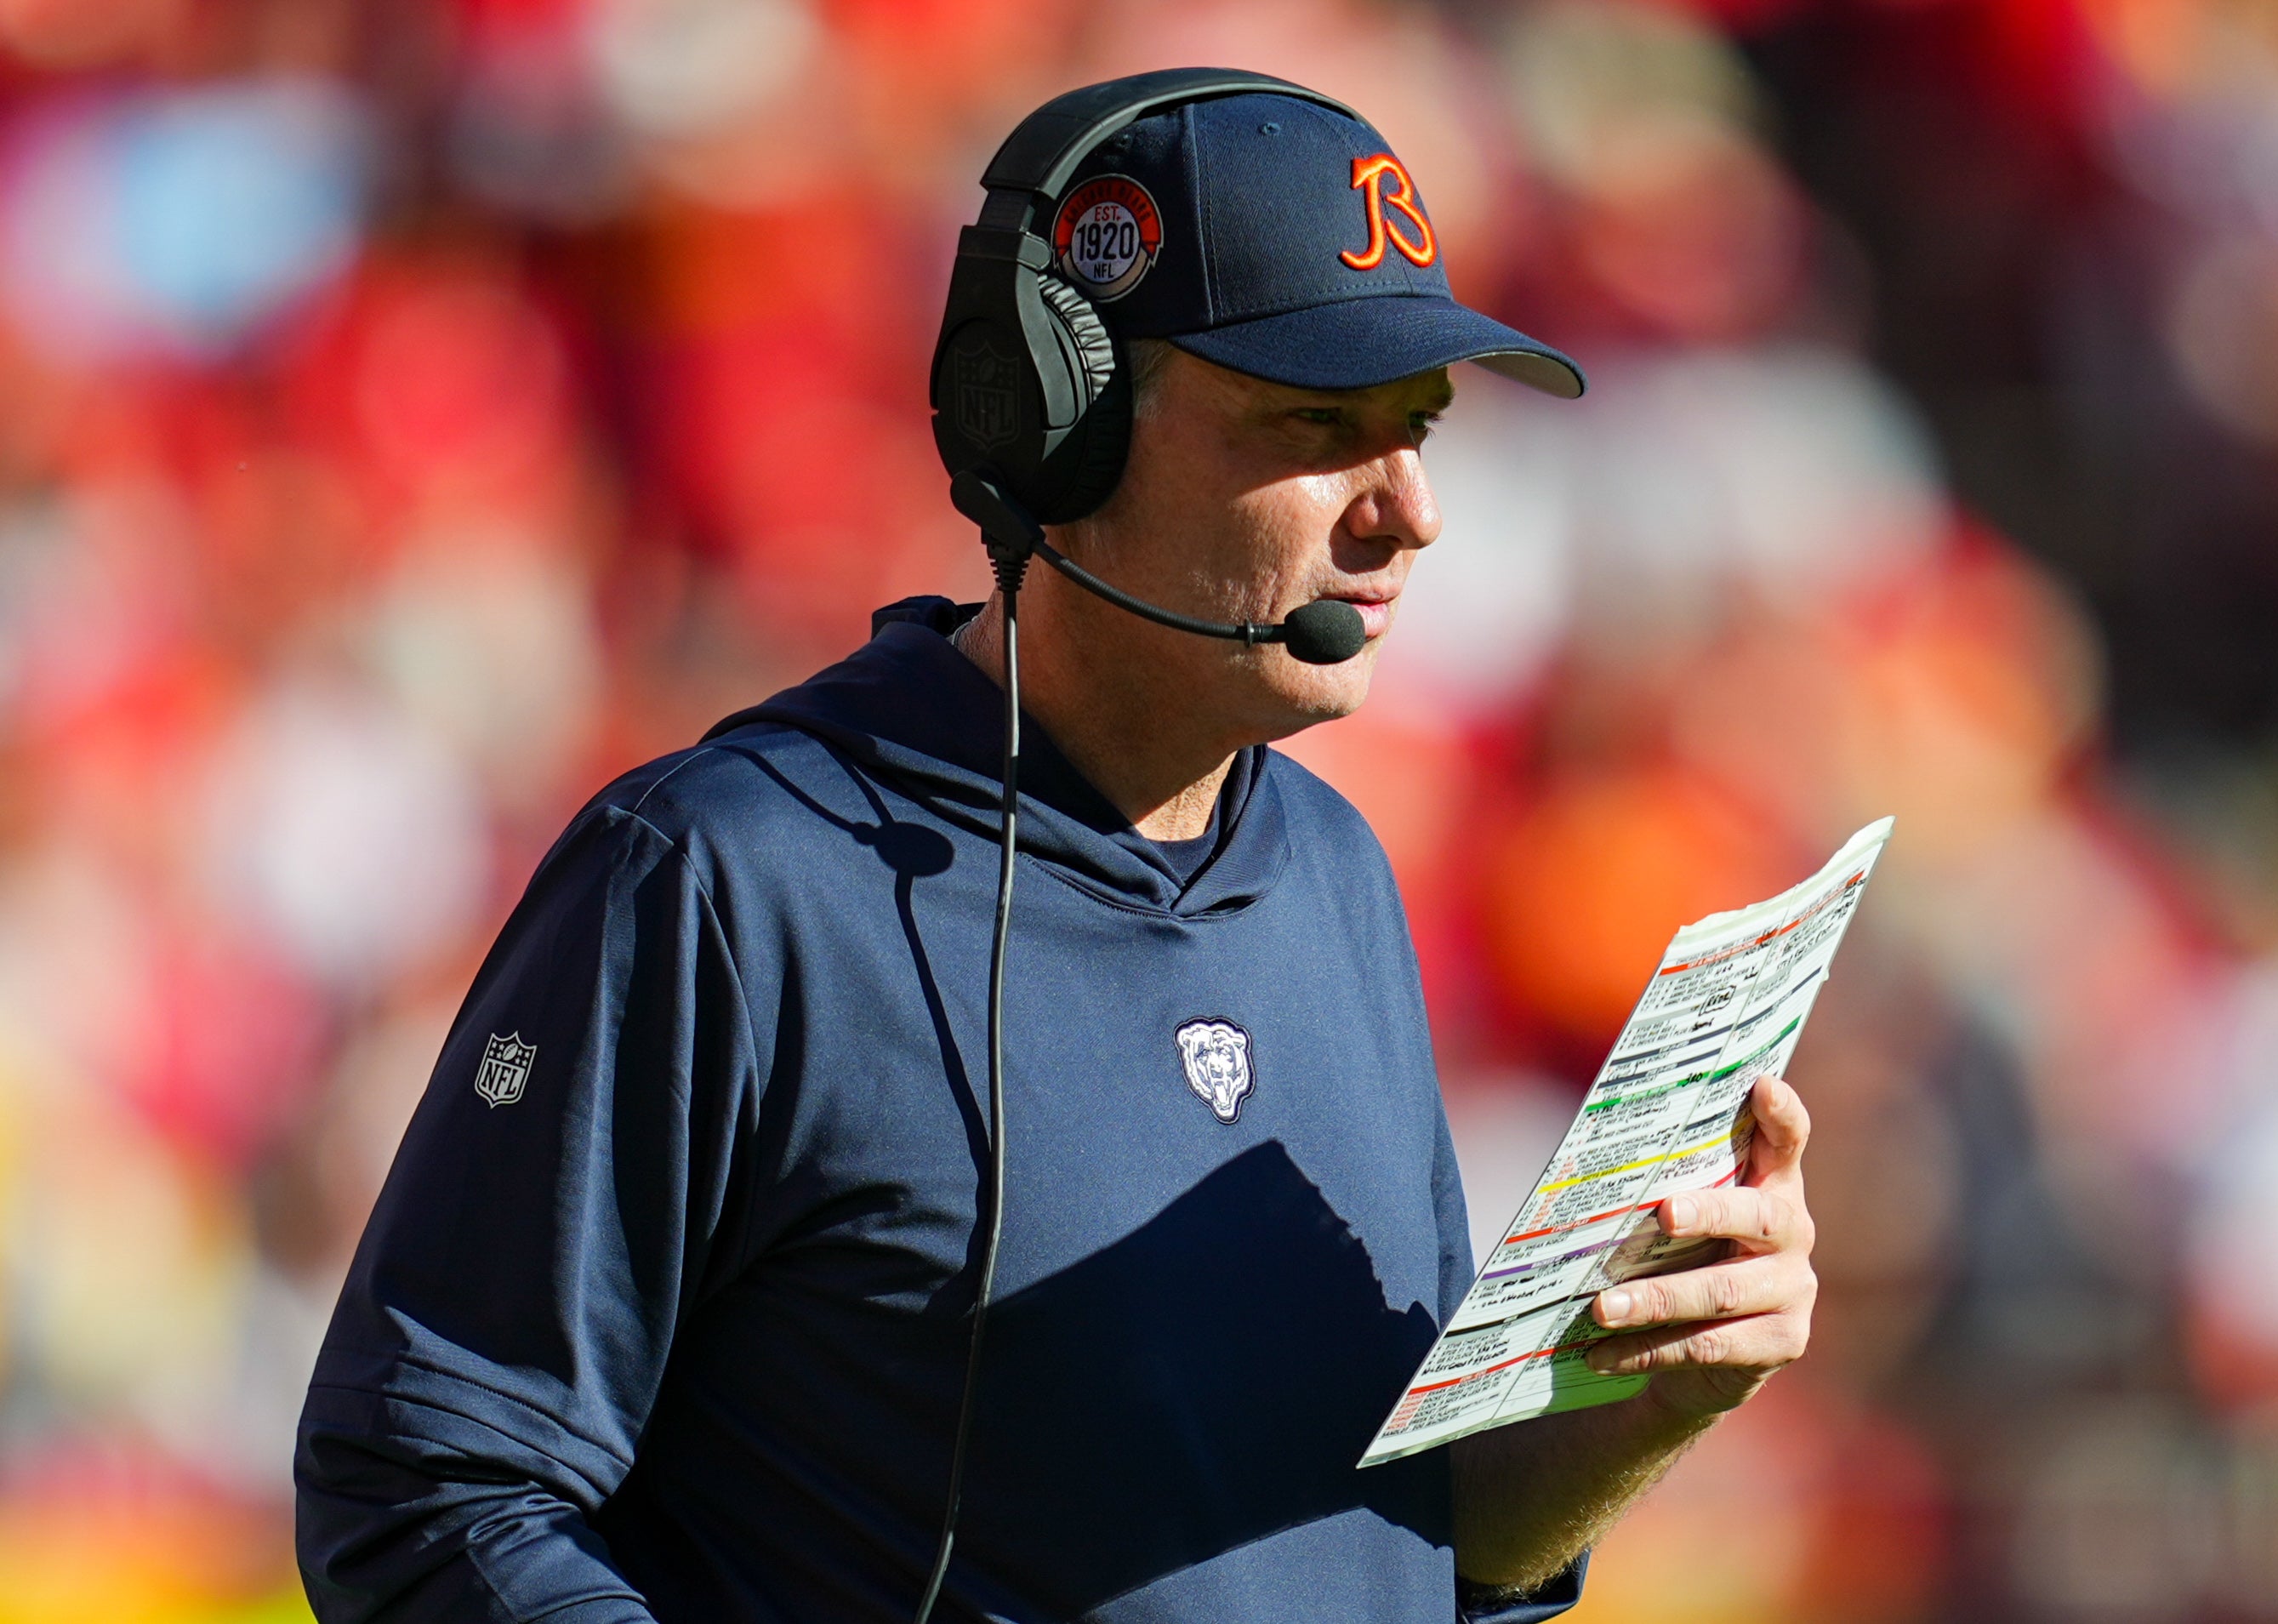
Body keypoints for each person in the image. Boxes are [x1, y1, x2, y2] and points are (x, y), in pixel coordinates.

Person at [293, 75, 1821, 1624]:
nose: (1409, 511)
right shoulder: (733, 881)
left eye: (1416, 431)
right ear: (1057, 421)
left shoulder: (1341, 872)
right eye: (1318, 423)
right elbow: (425, 1490)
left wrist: (1638, 1398)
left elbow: (1411, 1553)